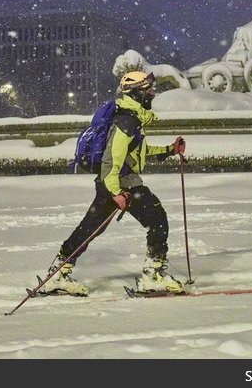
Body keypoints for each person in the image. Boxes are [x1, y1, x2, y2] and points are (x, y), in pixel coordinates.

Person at [44, 70, 187, 296]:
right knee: (158, 219)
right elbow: (112, 160)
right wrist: (117, 192)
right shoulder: (127, 121)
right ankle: (153, 275)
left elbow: (136, 153)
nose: (153, 93)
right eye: (148, 89)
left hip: (113, 184)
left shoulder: (129, 117)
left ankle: (58, 273)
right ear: (137, 93)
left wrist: (169, 150)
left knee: (89, 229)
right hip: (122, 185)